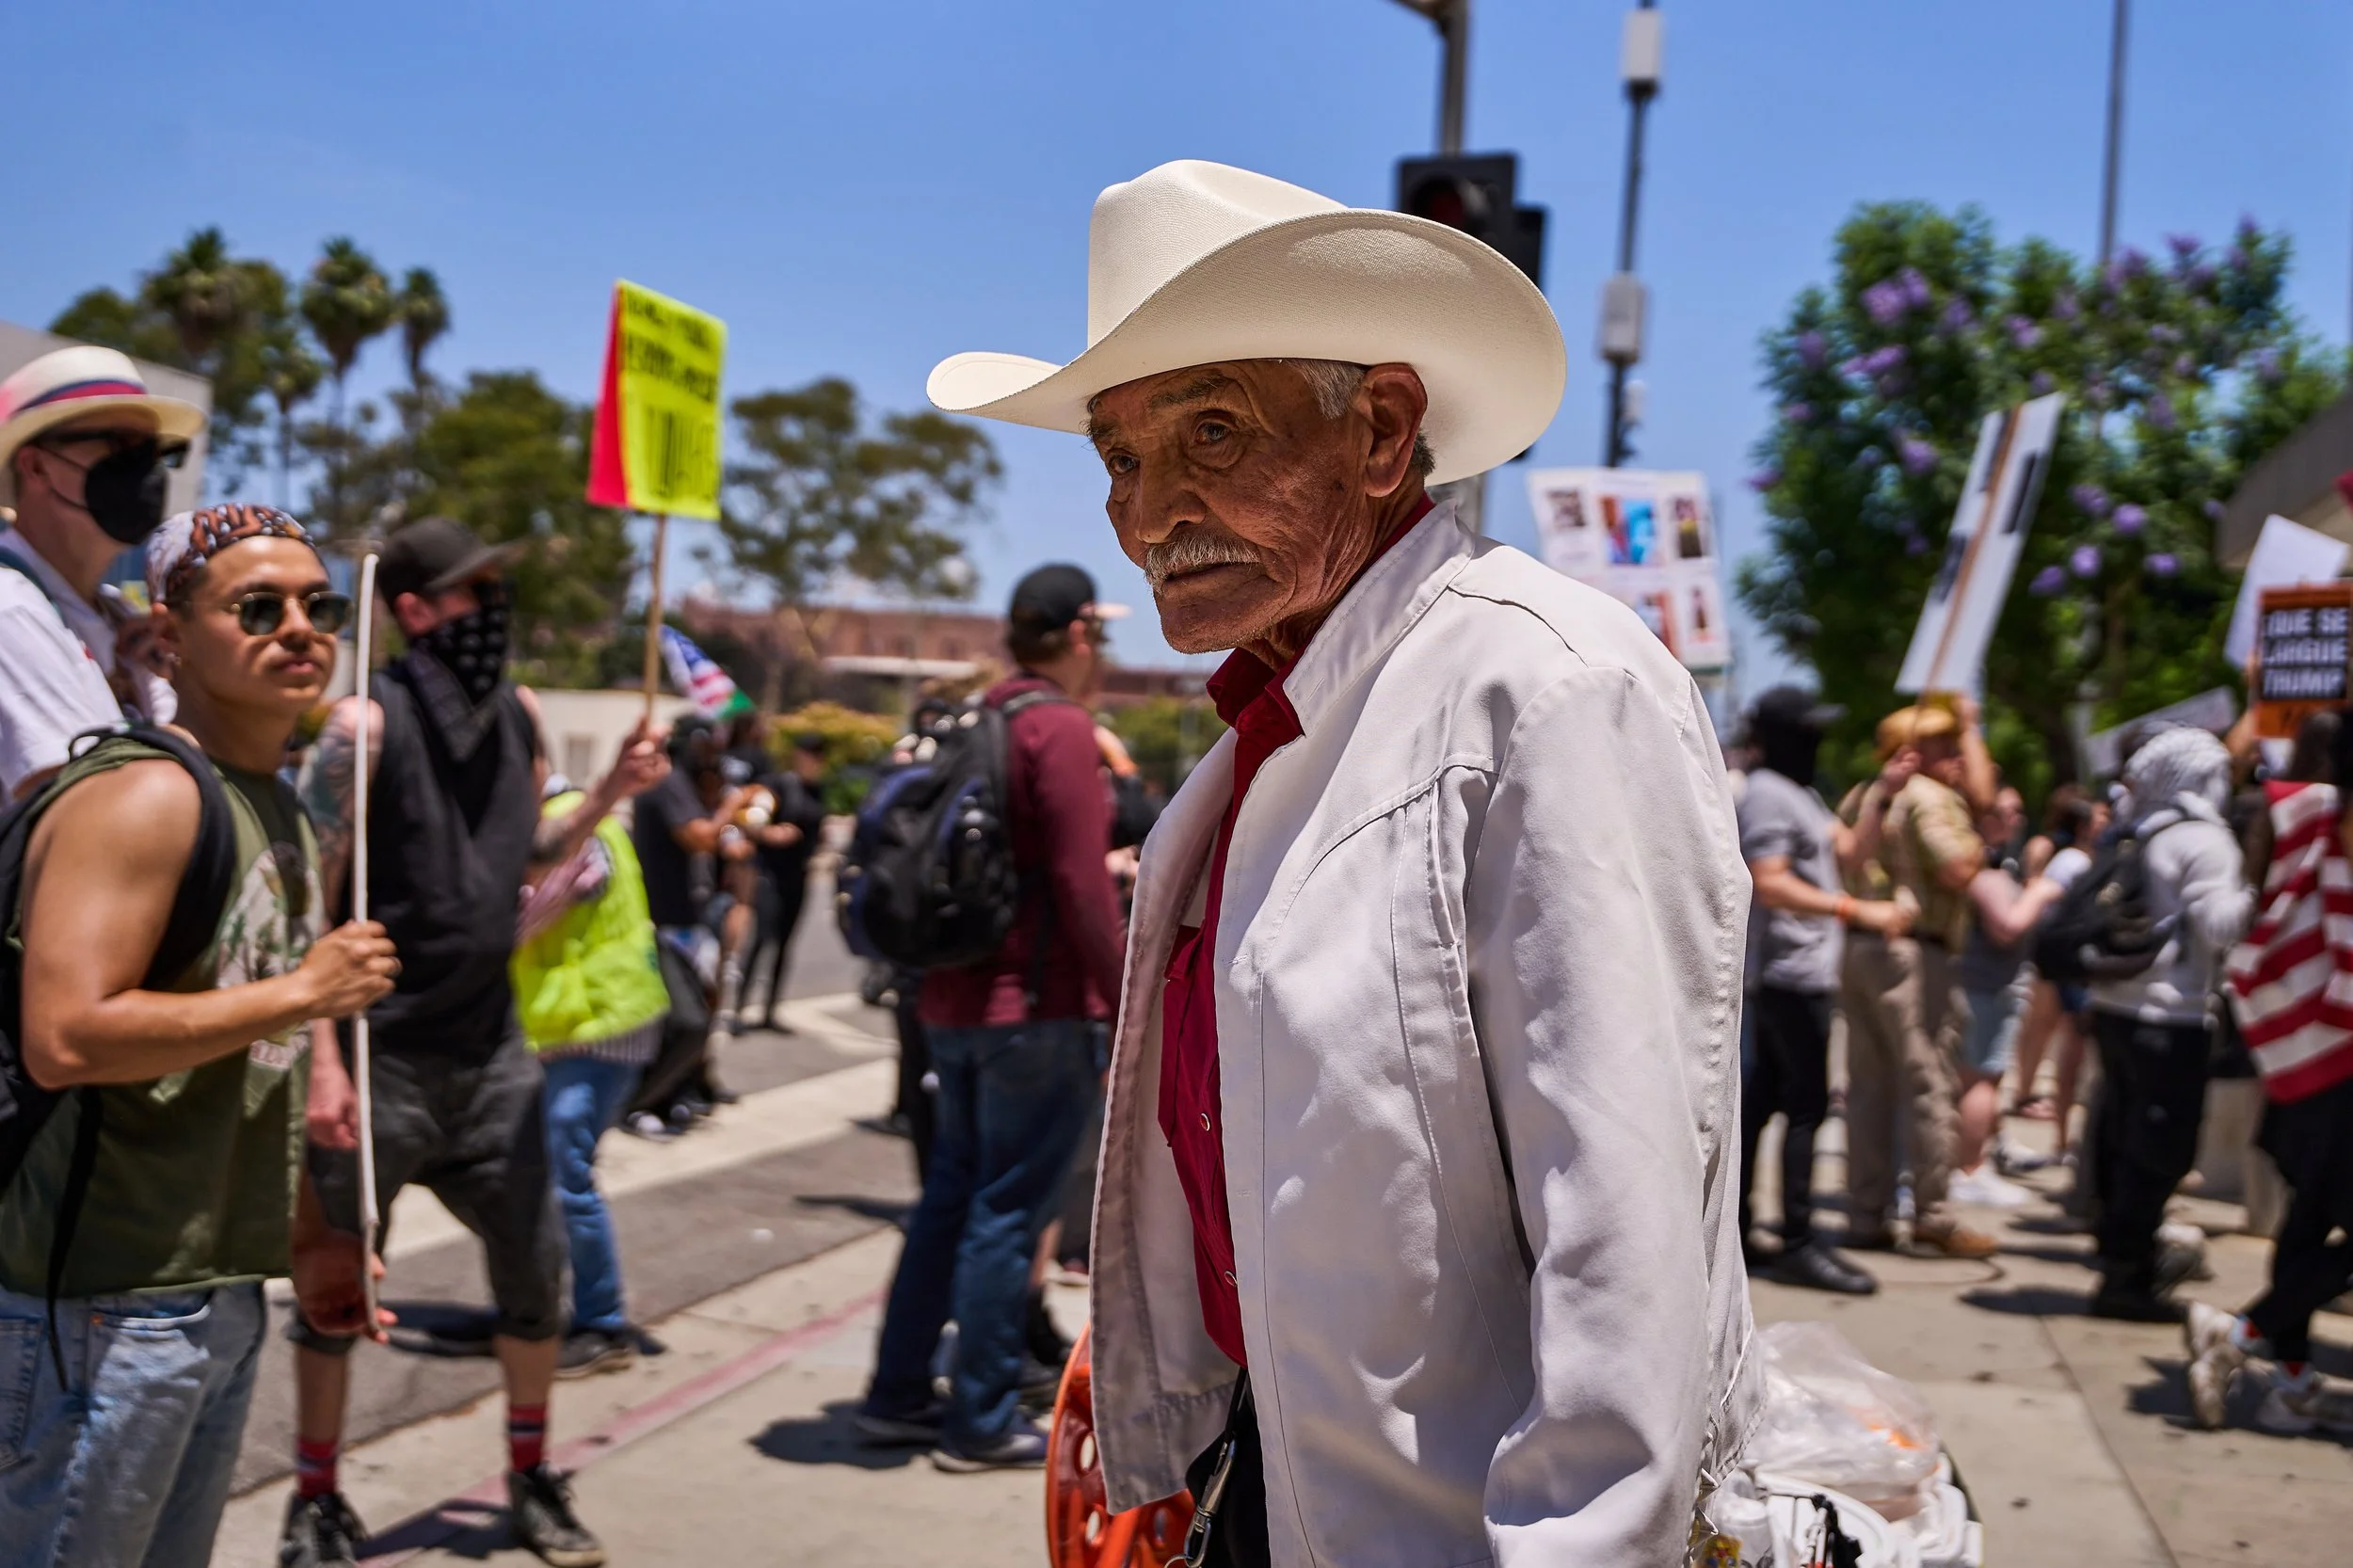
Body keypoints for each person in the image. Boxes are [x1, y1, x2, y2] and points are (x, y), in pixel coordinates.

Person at [927, 160, 1758, 1563]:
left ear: (1380, 432)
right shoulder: (1274, 734)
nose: (1147, 513)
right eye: (1121, 458)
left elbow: (1624, 1250)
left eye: (1211, 433)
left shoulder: (1543, 691)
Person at [0, 504, 395, 1568]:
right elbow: (67, 1036)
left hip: (217, 1290)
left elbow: (255, 1065)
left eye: (318, 607)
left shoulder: (280, 810)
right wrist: (305, 990)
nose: (300, 629)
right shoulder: (142, 797)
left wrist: (313, 1231)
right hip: (98, 1306)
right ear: (169, 640)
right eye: (256, 608)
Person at [284, 516, 662, 1568]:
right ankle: (313, 1497)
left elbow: (530, 848)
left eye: (496, 584)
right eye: (472, 588)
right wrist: (321, 1059)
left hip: (493, 1050)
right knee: (337, 1288)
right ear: (411, 609)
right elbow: (304, 902)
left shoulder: (519, 711)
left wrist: (608, 798)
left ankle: (532, 1476)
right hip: (376, 1057)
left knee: (535, 1272)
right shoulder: (360, 726)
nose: (493, 606)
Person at [855, 562, 1127, 1471]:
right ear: (1080, 633)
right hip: (1038, 1010)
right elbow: (1084, 887)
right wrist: (1127, 997)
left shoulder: (973, 718)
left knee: (947, 1202)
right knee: (1008, 1212)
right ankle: (977, 1419)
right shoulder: (1056, 727)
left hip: (951, 1002)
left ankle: (896, 1395)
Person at [2188, 711, 2353, 1432]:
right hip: (2337, 1056)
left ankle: (2291, 1381)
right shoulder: (2333, 823)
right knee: (2316, 1217)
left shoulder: (2288, 819)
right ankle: (2239, 1336)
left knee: (2309, 1217)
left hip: (2299, 1054)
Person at [1735, 686, 1911, 1296]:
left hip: (1802, 975)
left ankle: (1740, 1231)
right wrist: (1854, 911)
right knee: (1805, 1106)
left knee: (1760, 1105)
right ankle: (1797, 1242)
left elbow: (1851, 851)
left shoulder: (1800, 794)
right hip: (1788, 976)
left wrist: (1882, 794)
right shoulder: (1766, 796)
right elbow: (1769, 881)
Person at [2084, 727, 2251, 1321]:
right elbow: (2219, 926)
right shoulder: (2205, 840)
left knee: (2123, 1139)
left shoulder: (2139, 828)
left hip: (2117, 1009)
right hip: (2170, 1015)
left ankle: (2118, 1260)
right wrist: (2268, 885)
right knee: (2159, 1151)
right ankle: (2127, 1279)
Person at [513, 758, 674, 1379]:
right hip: (576, 1024)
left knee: (564, 1174)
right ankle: (541, 1307)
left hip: (598, 1026)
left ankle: (602, 1323)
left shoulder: (565, 825)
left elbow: (521, 922)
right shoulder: (568, 817)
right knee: (541, 1173)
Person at [0, 344, 205, 799]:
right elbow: (86, 804)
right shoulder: (9, 609)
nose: (145, 471)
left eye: (155, 451)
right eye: (119, 446)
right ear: (36, 467)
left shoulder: (117, 614)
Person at [1839, 702, 2002, 1260]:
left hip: (1861, 946)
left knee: (1869, 1088)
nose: (1956, 756)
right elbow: (1956, 867)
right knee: (1928, 1083)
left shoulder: (1865, 794)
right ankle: (1932, 1214)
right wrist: (1985, 840)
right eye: (1944, 745)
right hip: (1915, 954)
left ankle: (1866, 1211)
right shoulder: (1929, 797)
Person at [1949, 784, 2065, 1207]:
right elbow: (2008, 926)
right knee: (1981, 1079)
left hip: (1986, 985)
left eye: (2019, 812)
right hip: (1985, 987)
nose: (2017, 819)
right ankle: (1970, 1170)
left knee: (1982, 1077)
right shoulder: (1982, 869)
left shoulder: (1991, 864)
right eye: (2007, 812)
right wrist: (2039, 892)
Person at [744, 732, 829, 1031]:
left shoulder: (816, 790)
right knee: (761, 940)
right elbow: (752, 820)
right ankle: (741, 1009)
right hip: (772, 873)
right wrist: (771, 834)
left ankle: (769, 1010)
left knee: (784, 944)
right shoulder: (779, 784)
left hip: (799, 874)